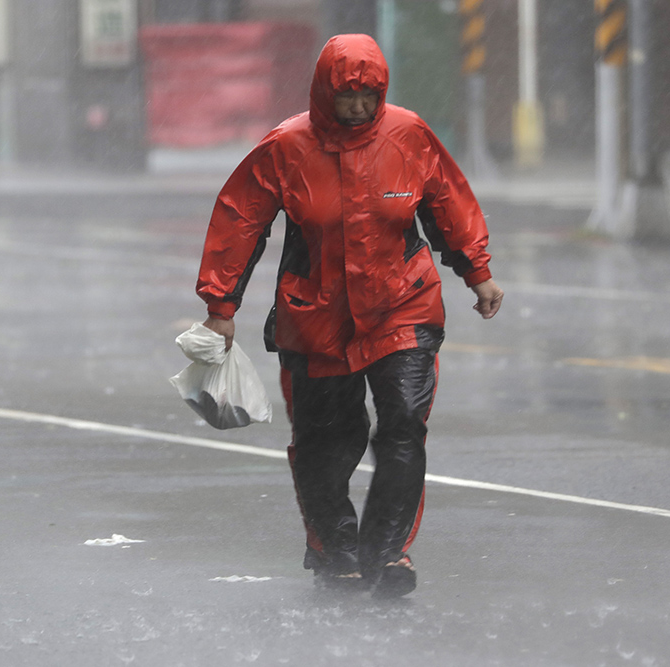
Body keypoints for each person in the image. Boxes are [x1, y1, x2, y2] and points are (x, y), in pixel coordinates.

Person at [196, 34, 503, 598]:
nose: (359, 107)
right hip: (317, 319)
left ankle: (388, 551)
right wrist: (221, 305)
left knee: (403, 425)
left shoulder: (408, 135)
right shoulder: (286, 147)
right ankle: (335, 549)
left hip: (402, 307)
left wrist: (477, 272)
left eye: (370, 96)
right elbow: (241, 218)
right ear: (324, 93)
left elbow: (448, 202)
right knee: (327, 440)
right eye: (347, 96)